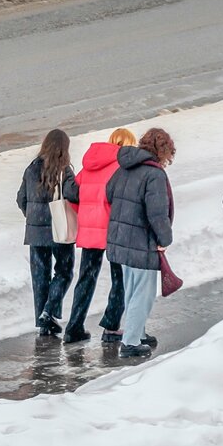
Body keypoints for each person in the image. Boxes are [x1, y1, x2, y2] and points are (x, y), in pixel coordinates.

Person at [106, 128, 175, 359]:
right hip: (141, 242)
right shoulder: (154, 175)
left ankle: (138, 332)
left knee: (131, 289)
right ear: (164, 150)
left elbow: (108, 193)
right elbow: (157, 213)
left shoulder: (125, 167)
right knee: (142, 293)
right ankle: (131, 342)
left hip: (120, 238)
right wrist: (165, 238)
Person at [62, 128, 135, 344]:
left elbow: (73, 193)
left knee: (86, 278)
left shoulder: (90, 165)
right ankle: (111, 327)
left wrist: (85, 214)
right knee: (119, 279)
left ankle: (73, 327)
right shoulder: (122, 167)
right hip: (114, 230)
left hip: (90, 230)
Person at [17, 129, 77, 336]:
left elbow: (20, 199)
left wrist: (32, 218)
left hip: (36, 232)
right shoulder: (64, 170)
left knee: (39, 276)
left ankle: (43, 322)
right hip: (59, 230)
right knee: (64, 271)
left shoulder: (31, 169)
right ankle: (48, 312)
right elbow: (73, 194)